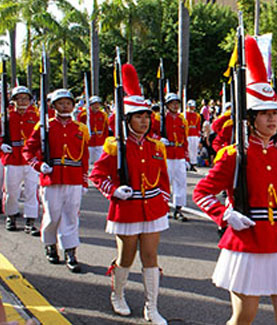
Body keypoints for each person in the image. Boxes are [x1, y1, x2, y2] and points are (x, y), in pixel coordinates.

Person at [192, 36, 277, 325]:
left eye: (275, 114)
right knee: (243, 318)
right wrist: (226, 215)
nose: (272, 120)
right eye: (264, 114)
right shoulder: (233, 155)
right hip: (247, 241)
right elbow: (202, 193)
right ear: (250, 119)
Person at [89, 63, 169, 324]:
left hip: (152, 208)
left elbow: (164, 180)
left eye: (147, 116)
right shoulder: (115, 146)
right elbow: (97, 175)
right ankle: (118, 294)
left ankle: (152, 306)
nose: (144, 121)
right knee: (126, 255)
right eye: (138, 116)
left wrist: (164, 202)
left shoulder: (157, 146)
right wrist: (113, 190)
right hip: (127, 208)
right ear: (127, 119)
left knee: (150, 256)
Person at [23, 88, 89, 273]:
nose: (65, 106)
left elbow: (84, 156)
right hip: (51, 178)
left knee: (71, 216)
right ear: (54, 106)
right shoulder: (45, 126)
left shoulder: (81, 129)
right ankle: (50, 244)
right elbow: (28, 150)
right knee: (52, 215)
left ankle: (70, 251)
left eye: (68, 103)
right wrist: (38, 165)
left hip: (73, 178)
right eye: (61, 103)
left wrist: (84, 181)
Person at [2, 86, 41, 235]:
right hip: (13, 158)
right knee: (12, 191)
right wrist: (2, 145)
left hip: (31, 160)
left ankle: (30, 221)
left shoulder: (36, 116)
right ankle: (11, 216)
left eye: (25, 98)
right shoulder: (7, 117)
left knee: (32, 191)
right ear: (13, 101)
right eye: (19, 98)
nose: (22, 101)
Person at [160, 92, 190, 222]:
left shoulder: (182, 120)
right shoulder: (159, 119)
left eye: (177, 103)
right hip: (166, 154)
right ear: (167, 105)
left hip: (179, 154)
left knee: (181, 183)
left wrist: (187, 158)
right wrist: (159, 139)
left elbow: (185, 139)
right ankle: (162, 208)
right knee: (165, 182)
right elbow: (150, 134)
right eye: (173, 103)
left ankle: (178, 209)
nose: (175, 105)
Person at [78, 96, 109, 166]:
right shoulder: (84, 115)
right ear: (90, 105)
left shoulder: (103, 115)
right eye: (95, 104)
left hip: (100, 142)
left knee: (100, 163)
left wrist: (105, 140)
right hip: (89, 142)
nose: (97, 106)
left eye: (98, 104)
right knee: (87, 163)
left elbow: (106, 129)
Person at [185, 99, 202, 171]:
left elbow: (198, 126)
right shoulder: (184, 114)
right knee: (188, 149)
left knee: (194, 150)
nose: (192, 108)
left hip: (194, 134)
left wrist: (199, 136)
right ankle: (187, 163)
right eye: (190, 106)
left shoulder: (197, 115)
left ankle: (193, 164)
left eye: (193, 107)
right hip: (187, 134)